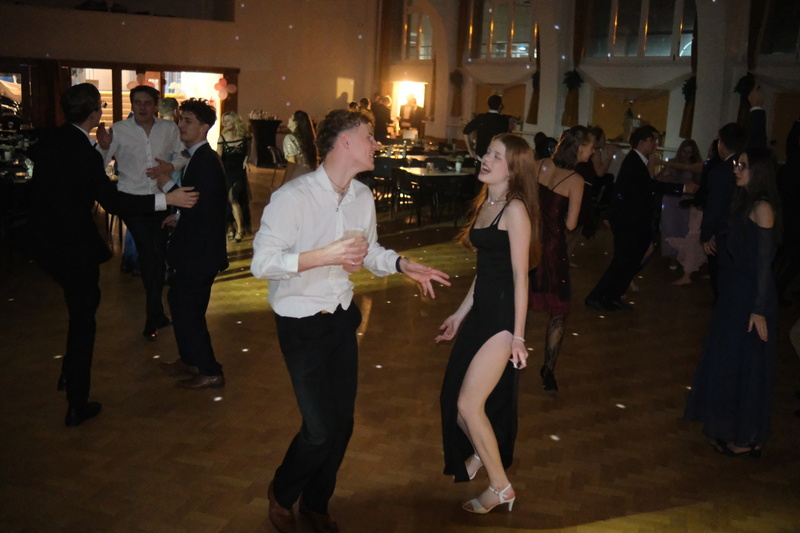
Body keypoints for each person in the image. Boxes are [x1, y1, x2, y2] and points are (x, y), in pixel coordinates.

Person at [251, 109, 450, 533]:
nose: (376, 143)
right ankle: (282, 493)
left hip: (341, 319)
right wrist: (325, 255)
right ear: (343, 142)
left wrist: (401, 264)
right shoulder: (293, 198)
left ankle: (316, 503)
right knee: (319, 429)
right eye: (369, 136)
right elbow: (262, 263)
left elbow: (369, 251)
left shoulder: (361, 196)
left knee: (342, 425)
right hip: (301, 323)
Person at [28, 83, 198, 426]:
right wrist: (167, 199)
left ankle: (68, 374)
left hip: (42, 243)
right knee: (83, 319)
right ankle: (77, 404)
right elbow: (114, 202)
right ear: (95, 114)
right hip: (73, 247)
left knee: (80, 307)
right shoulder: (85, 152)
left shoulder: (49, 139)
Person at [436, 133, 539, 514]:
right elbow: (486, 271)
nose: (485, 158)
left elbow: (520, 276)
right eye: (488, 152)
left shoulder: (515, 210)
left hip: (502, 319)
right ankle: (484, 452)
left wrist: (518, 336)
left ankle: (501, 488)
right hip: (482, 311)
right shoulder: (488, 202)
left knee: (468, 404)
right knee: (454, 402)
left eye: (496, 156)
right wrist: (459, 314)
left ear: (512, 170)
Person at [684, 146, 780, 457]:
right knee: (729, 362)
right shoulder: (746, 201)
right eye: (737, 163)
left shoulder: (763, 207)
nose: (736, 168)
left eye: (743, 165)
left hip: (751, 298)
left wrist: (759, 310)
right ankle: (733, 428)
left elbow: (764, 265)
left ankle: (747, 437)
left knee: (746, 366)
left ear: (759, 171)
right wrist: (717, 238)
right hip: (735, 294)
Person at [96, 85, 188, 340]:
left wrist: (170, 166)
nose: (142, 107)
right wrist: (103, 147)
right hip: (132, 201)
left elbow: (182, 155)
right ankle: (153, 315)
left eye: (147, 103)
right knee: (149, 252)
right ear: (132, 104)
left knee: (157, 255)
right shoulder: (119, 130)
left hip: (161, 198)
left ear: (155, 105)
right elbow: (99, 164)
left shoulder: (168, 129)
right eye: (138, 102)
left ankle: (155, 313)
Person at [158, 99, 229, 390]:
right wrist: (179, 217)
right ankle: (189, 360)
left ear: (204, 127)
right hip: (195, 248)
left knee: (190, 311)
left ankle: (210, 370)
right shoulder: (199, 158)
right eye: (180, 119)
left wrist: (166, 184)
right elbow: (202, 203)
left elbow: (199, 204)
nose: (180, 125)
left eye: (188, 121)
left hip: (200, 253)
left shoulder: (205, 161)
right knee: (178, 302)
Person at [585, 126, 695, 312]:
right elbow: (648, 185)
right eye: (652, 140)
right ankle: (596, 297)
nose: (654, 144)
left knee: (631, 259)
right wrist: (682, 188)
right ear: (642, 142)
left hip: (634, 219)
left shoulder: (638, 161)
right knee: (622, 260)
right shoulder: (633, 161)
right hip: (627, 220)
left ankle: (614, 295)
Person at [529, 126, 593, 393]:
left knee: (521, 303)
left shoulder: (539, 164)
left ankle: (507, 357)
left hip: (529, 243)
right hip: (552, 250)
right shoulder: (575, 180)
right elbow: (571, 224)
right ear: (580, 148)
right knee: (558, 311)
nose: (592, 151)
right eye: (591, 146)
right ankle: (548, 370)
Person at [701, 86, 767, 300]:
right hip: (739, 236)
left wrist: (706, 235)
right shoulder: (744, 165)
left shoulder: (722, 171)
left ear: (721, 143)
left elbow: (714, 207)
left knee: (726, 285)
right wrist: (756, 108)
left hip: (729, 235)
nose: (737, 170)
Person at [655, 139, 703, 269]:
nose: (686, 155)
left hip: (687, 200)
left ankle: (684, 257)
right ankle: (673, 257)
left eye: (689, 152)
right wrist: (667, 176)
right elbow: (657, 180)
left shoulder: (696, 166)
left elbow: (699, 184)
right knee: (670, 227)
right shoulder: (671, 163)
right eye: (684, 151)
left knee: (685, 229)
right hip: (671, 199)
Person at [217, 111, 252, 242]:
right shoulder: (222, 138)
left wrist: (246, 160)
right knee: (226, 200)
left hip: (238, 172)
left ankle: (241, 229)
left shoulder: (245, 136)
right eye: (223, 121)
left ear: (235, 121)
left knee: (233, 196)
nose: (224, 123)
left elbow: (249, 151)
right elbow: (219, 158)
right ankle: (230, 228)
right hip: (226, 172)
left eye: (228, 121)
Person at [462, 94, 515, 159]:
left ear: (488, 104)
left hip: (481, 154)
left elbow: (466, 131)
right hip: (497, 155)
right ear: (500, 106)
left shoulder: (481, 118)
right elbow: (507, 137)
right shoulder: (504, 120)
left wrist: (469, 149)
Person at [282, 110, 318, 182]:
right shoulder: (309, 141)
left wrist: (284, 183)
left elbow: (292, 163)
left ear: (296, 122)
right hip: (308, 177)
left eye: (291, 117)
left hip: (296, 178)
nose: (288, 119)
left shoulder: (290, 138)